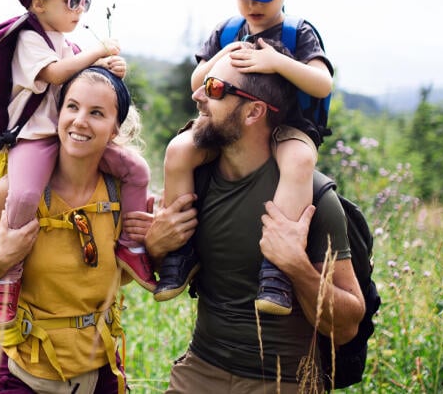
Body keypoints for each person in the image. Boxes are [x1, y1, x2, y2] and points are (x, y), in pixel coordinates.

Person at [145, 48, 364, 392]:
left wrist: (296, 266)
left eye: (215, 89)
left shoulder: (316, 199)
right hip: (200, 369)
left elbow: (348, 326)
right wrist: (156, 246)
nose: (198, 96)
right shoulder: (196, 181)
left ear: (254, 112)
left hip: (283, 381)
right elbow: (165, 273)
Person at [156, 0, 334, 316]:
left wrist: (277, 63)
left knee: (300, 162)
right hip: (230, 123)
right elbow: (195, 83)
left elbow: (322, 83)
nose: (251, 3)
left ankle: (277, 269)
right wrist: (219, 57)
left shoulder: (297, 34)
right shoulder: (228, 31)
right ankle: (181, 249)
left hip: (286, 127)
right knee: (179, 150)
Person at [0, 67, 152, 394]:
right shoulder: (15, 191)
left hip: (99, 368)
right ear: (58, 114)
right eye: (72, 107)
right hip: (20, 371)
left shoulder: (121, 194)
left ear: (116, 129)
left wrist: (159, 238)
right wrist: (3, 258)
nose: (80, 121)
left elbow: (126, 272)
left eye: (97, 113)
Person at [0, 0, 156, 329]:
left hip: (69, 135)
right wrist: (98, 51)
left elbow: (85, 79)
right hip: (36, 136)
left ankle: (131, 245)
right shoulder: (30, 39)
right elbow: (57, 74)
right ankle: (9, 274)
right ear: (39, 3)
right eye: (73, 0)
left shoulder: (65, 41)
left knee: (135, 168)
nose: (80, 9)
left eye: (85, 1)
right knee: (26, 194)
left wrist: (109, 68)